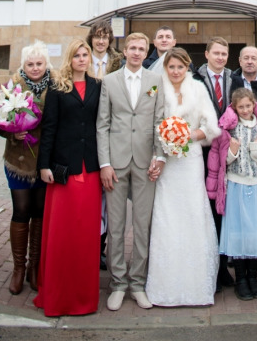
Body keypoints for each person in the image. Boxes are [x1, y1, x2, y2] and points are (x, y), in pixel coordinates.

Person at [96, 32, 166, 311]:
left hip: (144, 162)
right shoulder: (110, 82)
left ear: (147, 51)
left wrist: (158, 156)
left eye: (141, 48)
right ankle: (117, 283)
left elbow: (159, 120)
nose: (137, 52)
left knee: (141, 226)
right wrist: (104, 164)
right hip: (116, 162)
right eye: (132, 48)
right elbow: (103, 124)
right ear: (124, 51)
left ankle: (137, 283)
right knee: (115, 227)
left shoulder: (155, 81)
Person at [146, 47, 221, 307]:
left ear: (187, 67)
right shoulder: (155, 88)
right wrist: (165, 139)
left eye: (180, 67)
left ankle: (195, 285)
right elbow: (148, 121)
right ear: (165, 68)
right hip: (166, 162)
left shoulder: (198, 89)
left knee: (191, 212)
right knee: (167, 215)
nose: (175, 71)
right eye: (171, 67)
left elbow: (210, 126)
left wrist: (186, 135)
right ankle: (164, 285)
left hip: (190, 160)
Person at [33, 39, 102, 317]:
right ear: (70, 59)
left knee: (86, 236)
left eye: (86, 55)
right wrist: (44, 165)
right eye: (77, 55)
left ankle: (84, 298)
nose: (82, 59)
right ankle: (57, 296)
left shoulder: (99, 86)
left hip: (92, 168)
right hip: (64, 169)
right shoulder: (57, 87)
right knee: (62, 235)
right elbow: (48, 128)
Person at [206, 89, 257, 300]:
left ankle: (253, 277)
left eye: (249, 106)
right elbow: (220, 161)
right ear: (234, 108)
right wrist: (232, 151)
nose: (245, 110)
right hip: (236, 185)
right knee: (238, 233)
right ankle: (241, 279)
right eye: (241, 107)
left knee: (255, 233)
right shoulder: (228, 129)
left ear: (254, 105)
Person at [0, 39, 56, 294]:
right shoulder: (12, 87)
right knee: (21, 210)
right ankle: (18, 268)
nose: (35, 68)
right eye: (30, 64)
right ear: (23, 65)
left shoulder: (56, 85)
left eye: (39, 63)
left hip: (44, 159)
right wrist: (13, 133)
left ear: (47, 63)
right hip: (18, 159)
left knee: (40, 212)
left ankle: (35, 266)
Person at [193, 35, 235, 291]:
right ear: (207, 54)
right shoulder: (196, 79)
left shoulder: (235, 79)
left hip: (227, 152)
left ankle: (223, 266)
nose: (220, 57)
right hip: (204, 151)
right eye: (216, 53)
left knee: (224, 209)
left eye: (224, 54)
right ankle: (208, 266)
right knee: (206, 209)